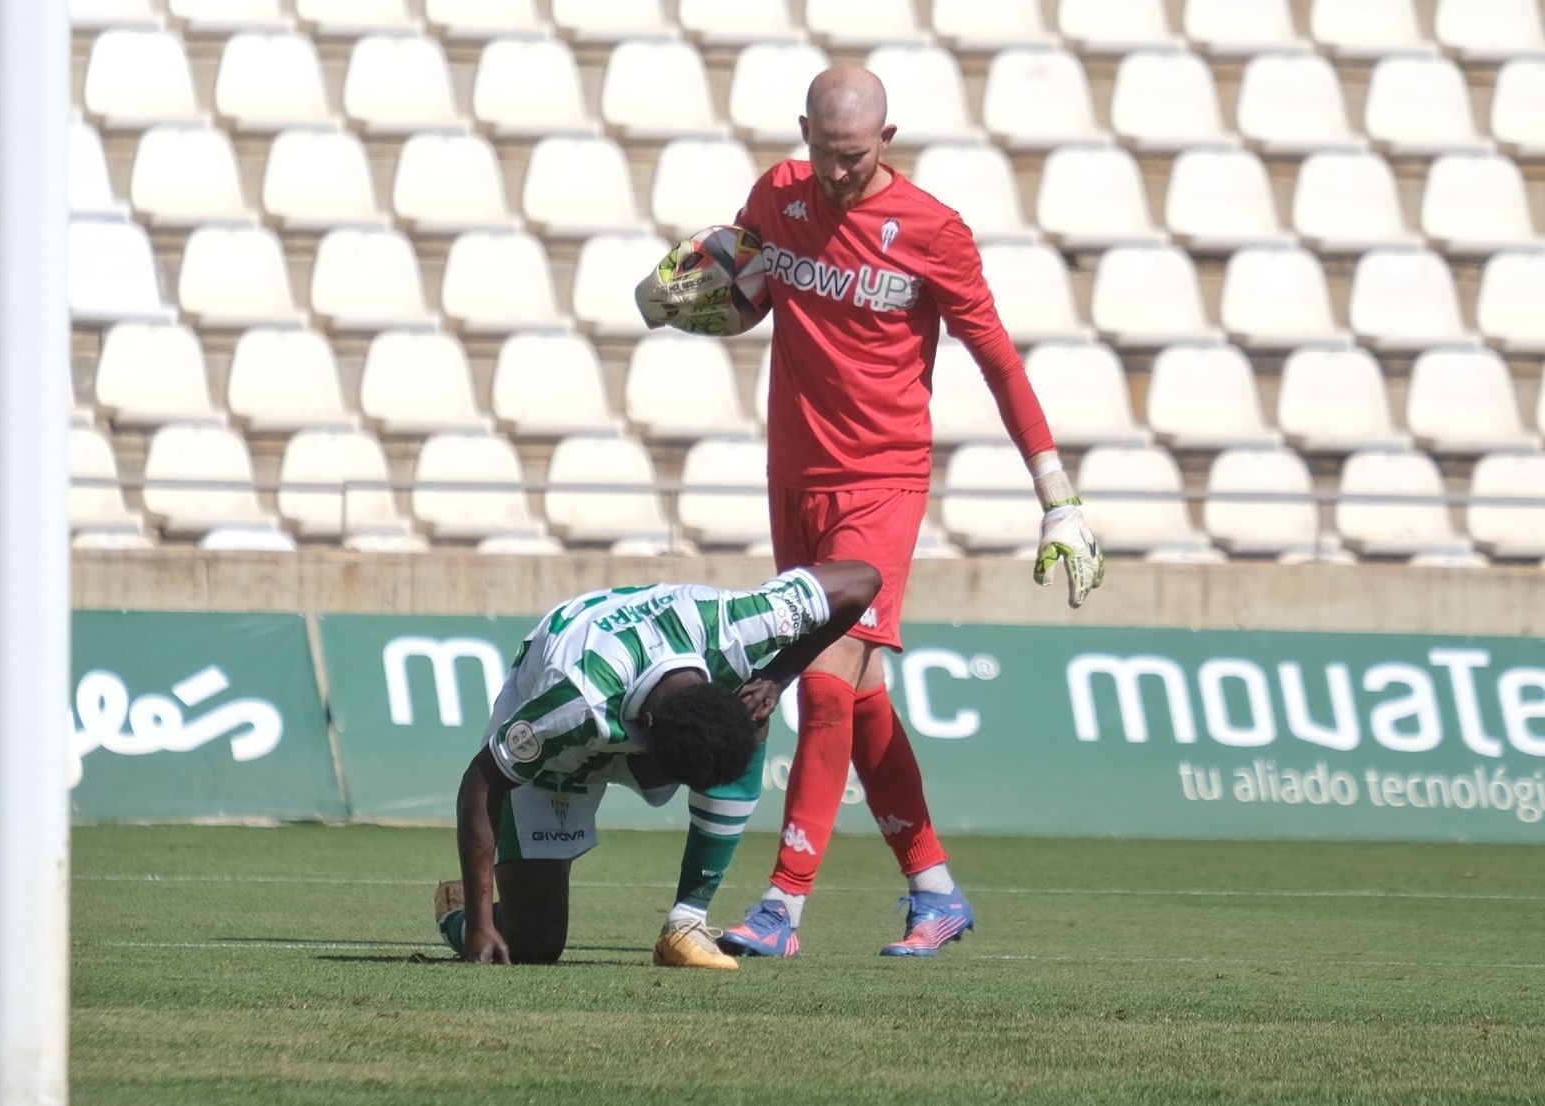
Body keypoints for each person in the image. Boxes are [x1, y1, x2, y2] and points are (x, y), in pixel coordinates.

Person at [702, 67, 1105, 960]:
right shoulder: (775, 195)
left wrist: (1057, 496)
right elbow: (745, 293)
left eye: (854, 158)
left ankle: (783, 905)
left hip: (882, 482)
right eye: (824, 153)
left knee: (823, 678)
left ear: (887, 140)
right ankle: (935, 889)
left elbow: (998, 359)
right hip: (794, 477)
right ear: (802, 129)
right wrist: (685, 305)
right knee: (866, 699)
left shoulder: (931, 230)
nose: (838, 174)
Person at [434, 559, 882, 968]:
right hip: (566, 742)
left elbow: (863, 581)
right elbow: (482, 779)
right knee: (534, 945)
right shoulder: (572, 704)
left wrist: (775, 678)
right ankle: (457, 908)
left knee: (751, 719)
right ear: (643, 734)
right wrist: (478, 924)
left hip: (644, 677)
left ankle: (688, 919)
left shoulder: (735, 624)